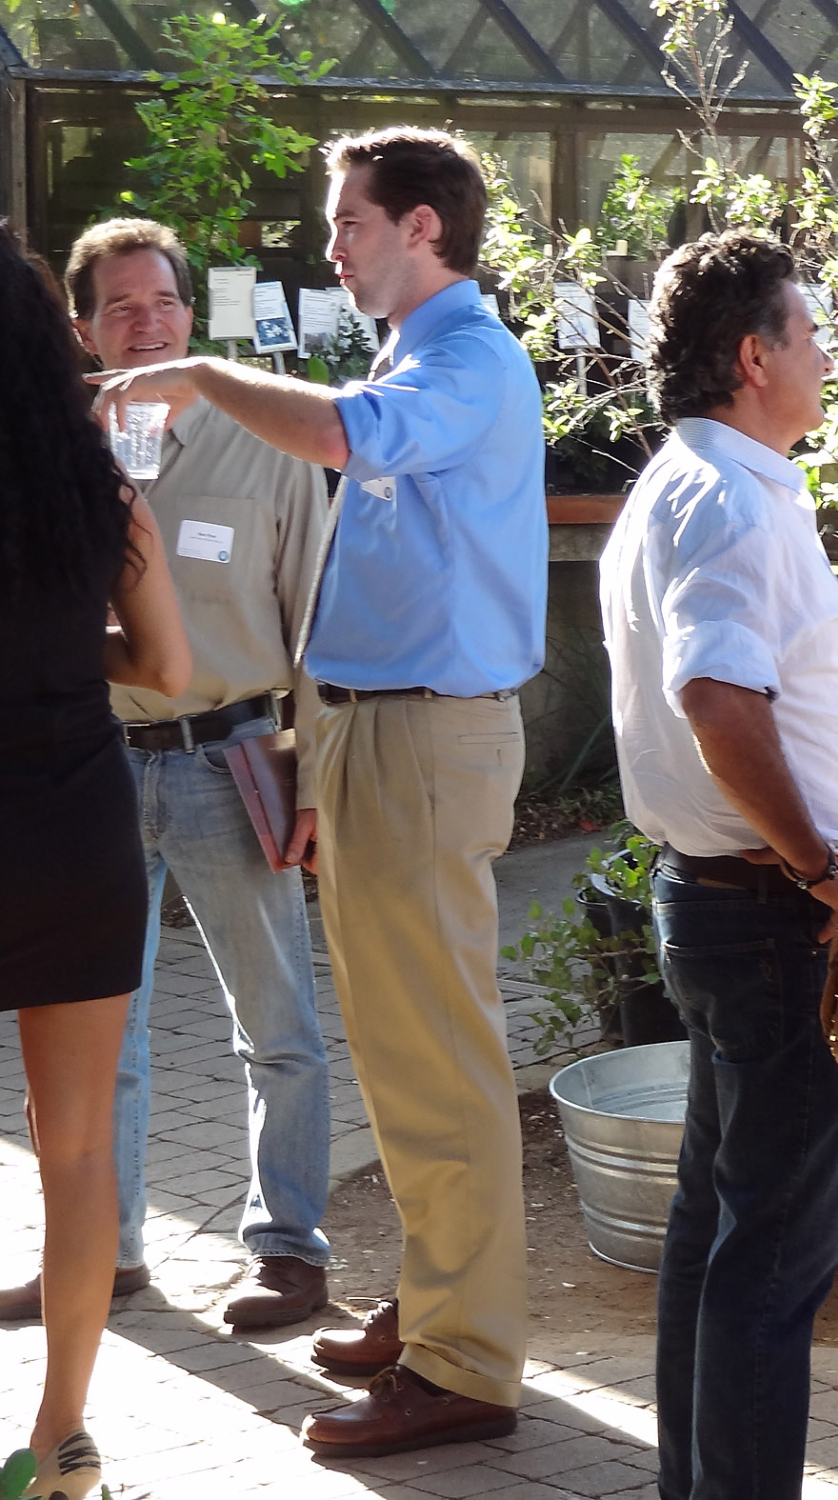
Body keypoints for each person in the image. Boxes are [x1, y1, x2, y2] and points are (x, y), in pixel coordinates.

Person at [93, 128, 547, 1456]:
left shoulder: (464, 360)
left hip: (423, 743)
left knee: (439, 1057)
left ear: (421, 227)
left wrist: (195, 375)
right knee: (403, 1052)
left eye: (349, 221)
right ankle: (439, 1303)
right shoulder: (420, 358)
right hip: (373, 737)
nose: (333, 245)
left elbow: (347, 438)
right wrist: (314, 734)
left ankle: (465, 1362)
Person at [0, 218, 334, 1333]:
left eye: (164, 302)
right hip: (89, 774)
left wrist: (315, 775)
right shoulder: (51, 445)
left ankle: (288, 1248)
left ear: (193, 313)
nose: (146, 324)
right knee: (107, 1039)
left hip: (229, 760)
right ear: (82, 327)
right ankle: (106, 1255)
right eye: (121, 307)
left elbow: (317, 618)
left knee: (275, 1024)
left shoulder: (267, 436)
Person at [599, 230, 838, 1500]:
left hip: (730, 904)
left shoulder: (700, 479)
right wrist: (821, 865)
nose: (829, 353)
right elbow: (716, 696)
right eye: (811, 332)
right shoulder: (724, 494)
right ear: (754, 356)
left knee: (717, 1234)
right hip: (775, 917)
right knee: (766, 1258)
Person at [0, 217, 191, 1500]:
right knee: (74, 1153)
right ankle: (61, 1440)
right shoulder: (98, 493)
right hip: (73, 833)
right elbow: (168, 667)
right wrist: (73, 657)